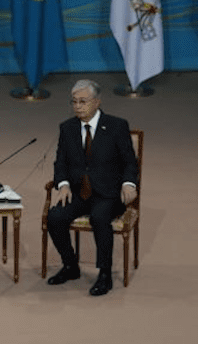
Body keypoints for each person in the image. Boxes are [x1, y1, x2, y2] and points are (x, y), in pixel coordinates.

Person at [46, 79, 138, 296]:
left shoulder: (117, 126)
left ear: (97, 102)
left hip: (108, 193)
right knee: (55, 217)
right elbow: (60, 163)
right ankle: (71, 266)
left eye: (83, 101)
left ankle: (104, 273)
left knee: (99, 218)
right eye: (74, 102)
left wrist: (129, 184)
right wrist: (64, 185)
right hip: (79, 192)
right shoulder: (67, 128)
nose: (77, 106)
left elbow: (129, 162)